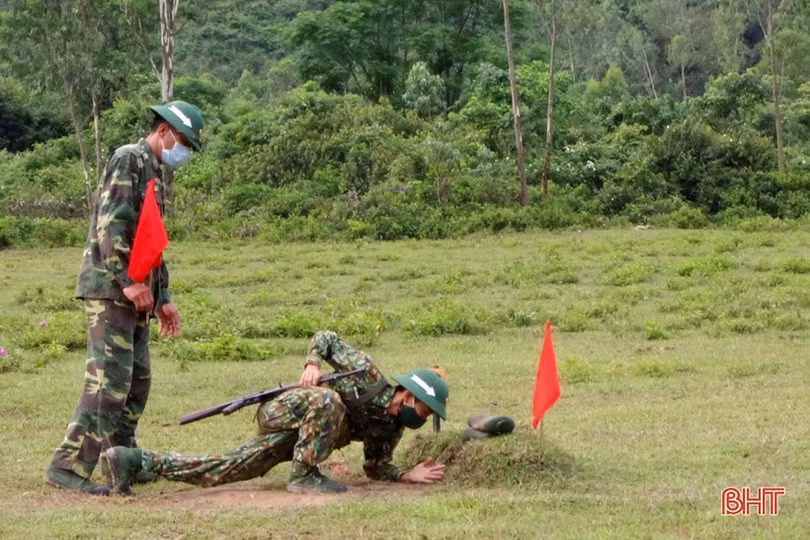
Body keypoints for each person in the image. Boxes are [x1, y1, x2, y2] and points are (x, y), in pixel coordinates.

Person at [43, 101, 205, 496]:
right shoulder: (128, 158)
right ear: (164, 130)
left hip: (138, 296)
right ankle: (66, 466)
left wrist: (163, 295)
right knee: (109, 383)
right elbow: (111, 224)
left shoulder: (154, 171)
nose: (183, 151)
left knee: (136, 382)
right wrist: (127, 282)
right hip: (112, 290)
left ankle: (121, 458)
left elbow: (151, 242)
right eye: (183, 142)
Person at [104, 330, 449, 495]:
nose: (422, 418)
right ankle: (303, 476)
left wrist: (405, 475)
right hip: (287, 410)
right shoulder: (367, 374)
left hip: (303, 438)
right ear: (408, 395)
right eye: (424, 409)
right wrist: (313, 363)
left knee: (228, 468)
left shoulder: (390, 428)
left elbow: (376, 466)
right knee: (328, 401)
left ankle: (133, 460)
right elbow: (327, 338)